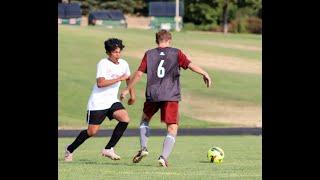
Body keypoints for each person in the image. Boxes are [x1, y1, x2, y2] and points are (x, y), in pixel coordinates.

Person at [120, 29, 212, 167]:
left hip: (153, 94)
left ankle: (144, 148)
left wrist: (127, 89)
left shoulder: (149, 54)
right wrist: (204, 73)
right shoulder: (176, 53)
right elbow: (190, 65)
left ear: (157, 41)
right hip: (171, 95)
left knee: (145, 120)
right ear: (169, 41)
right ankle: (163, 157)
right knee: (172, 127)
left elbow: (138, 74)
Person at [64, 38, 135, 162]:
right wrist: (119, 79)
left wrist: (131, 94)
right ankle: (70, 149)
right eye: (115, 52)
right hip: (98, 102)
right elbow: (100, 83)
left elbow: (128, 78)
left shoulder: (124, 64)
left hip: (112, 101)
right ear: (108, 53)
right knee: (92, 132)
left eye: (119, 52)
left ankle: (109, 148)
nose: (118, 55)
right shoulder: (103, 63)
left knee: (125, 119)